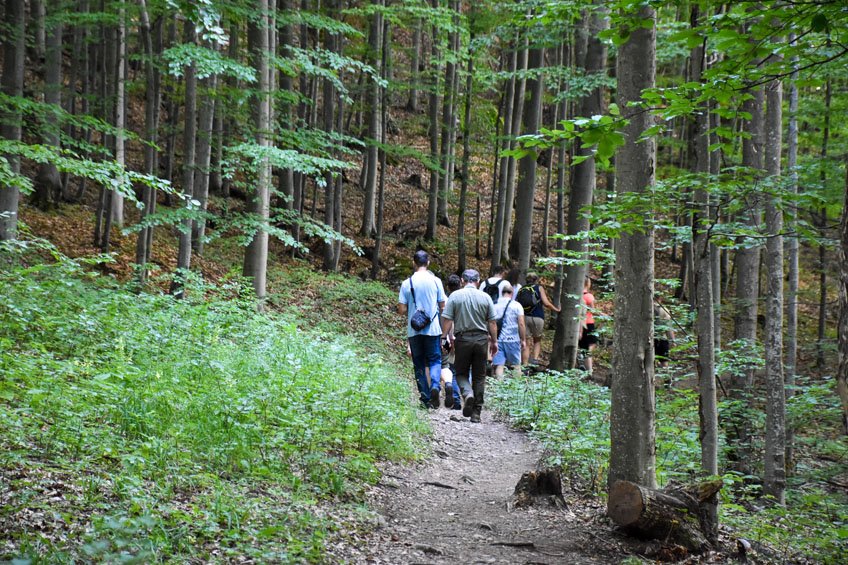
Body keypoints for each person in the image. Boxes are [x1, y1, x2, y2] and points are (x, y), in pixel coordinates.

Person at [441, 269, 498, 423]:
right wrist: (494, 341)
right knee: (479, 376)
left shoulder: (455, 296)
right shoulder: (486, 297)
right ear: (478, 281)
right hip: (481, 340)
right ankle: (476, 413)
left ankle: (467, 394)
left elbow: (447, 319)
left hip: (462, 339)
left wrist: (443, 338)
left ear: (462, 281)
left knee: (460, 373)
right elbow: (492, 322)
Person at [398, 250, 447, 409]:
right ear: (428, 263)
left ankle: (425, 398)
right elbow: (443, 305)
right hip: (433, 329)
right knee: (434, 360)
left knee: (418, 363)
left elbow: (401, 310)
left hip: (414, 330)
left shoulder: (407, 283)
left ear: (414, 263)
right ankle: (435, 386)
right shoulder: (436, 281)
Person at [518, 272, 560, 365]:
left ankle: (525, 365)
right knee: (537, 340)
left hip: (524, 317)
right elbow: (546, 303)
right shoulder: (539, 288)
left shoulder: (521, 289)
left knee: (526, 341)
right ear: (536, 280)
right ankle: (535, 360)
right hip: (537, 317)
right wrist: (556, 310)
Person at [492, 282, 526, 378]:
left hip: (498, 339)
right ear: (512, 293)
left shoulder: (495, 304)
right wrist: (523, 339)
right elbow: (521, 324)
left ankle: (500, 384)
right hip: (513, 339)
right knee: (516, 365)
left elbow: (491, 322)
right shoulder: (517, 305)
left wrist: (492, 338)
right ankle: (516, 384)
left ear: (502, 292)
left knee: (499, 365)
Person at [578, 276, 598, 374]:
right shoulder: (589, 296)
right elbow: (593, 310)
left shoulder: (578, 296)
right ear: (587, 284)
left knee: (583, 346)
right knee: (592, 344)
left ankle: (582, 360)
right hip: (589, 323)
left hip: (579, 324)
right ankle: (589, 369)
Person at [654, 295, 675, 368]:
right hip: (662, 339)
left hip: (648, 339)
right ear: (660, 298)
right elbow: (668, 327)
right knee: (664, 362)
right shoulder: (664, 310)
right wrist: (672, 340)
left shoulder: (644, 309)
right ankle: (665, 373)